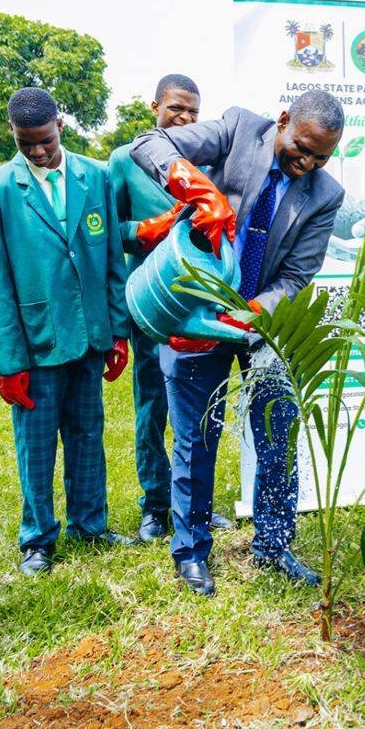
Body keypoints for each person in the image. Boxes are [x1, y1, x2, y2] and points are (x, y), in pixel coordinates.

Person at [131, 90, 345, 596]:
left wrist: (251, 312)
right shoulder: (237, 130)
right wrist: (198, 189)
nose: (307, 161)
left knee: (277, 435)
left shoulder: (324, 193)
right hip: (194, 317)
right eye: (302, 146)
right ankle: (190, 551)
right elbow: (150, 142)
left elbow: (296, 276)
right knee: (195, 437)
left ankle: (273, 545)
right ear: (284, 120)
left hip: (261, 326)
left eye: (321, 156)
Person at [0, 87, 134, 574]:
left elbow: (111, 259)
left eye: (45, 140)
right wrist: (7, 361)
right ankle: (39, 538)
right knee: (37, 444)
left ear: (60, 126)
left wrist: (118, 331)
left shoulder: (96, 176)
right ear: (14, 136)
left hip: (89, 336)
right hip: (36, 342)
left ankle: (90, 523)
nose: (39, 151)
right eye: (27, 144)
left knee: (88, 434)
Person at [108, 73, 234, 541]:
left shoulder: (205, 159)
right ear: (155, 106)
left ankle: (196, 502)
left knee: (198, 409)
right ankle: (154, 505)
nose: (183, 118)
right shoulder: (124, 161)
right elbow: (104, 232)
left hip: (197, 304)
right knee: (151, 406)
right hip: (148, 303)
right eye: (175, 109)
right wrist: (147, 229)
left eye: (192, 113)